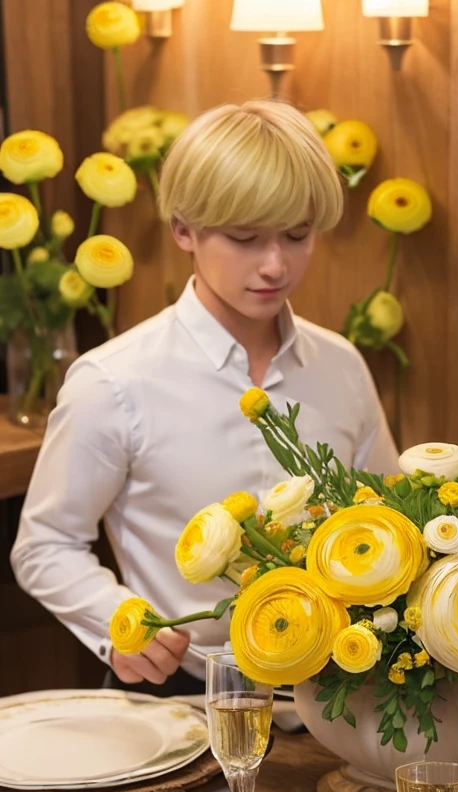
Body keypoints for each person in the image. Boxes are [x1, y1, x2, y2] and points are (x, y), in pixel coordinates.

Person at [11, 99, 397, 697]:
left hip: (339, 700)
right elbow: (45, 544)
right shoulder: (113, 382)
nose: (276, 266)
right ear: (183, 229)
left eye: (297, 236)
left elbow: (389, 520)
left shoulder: (341, 366)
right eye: (245, 239)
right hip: (181, 700)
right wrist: (119, 625)